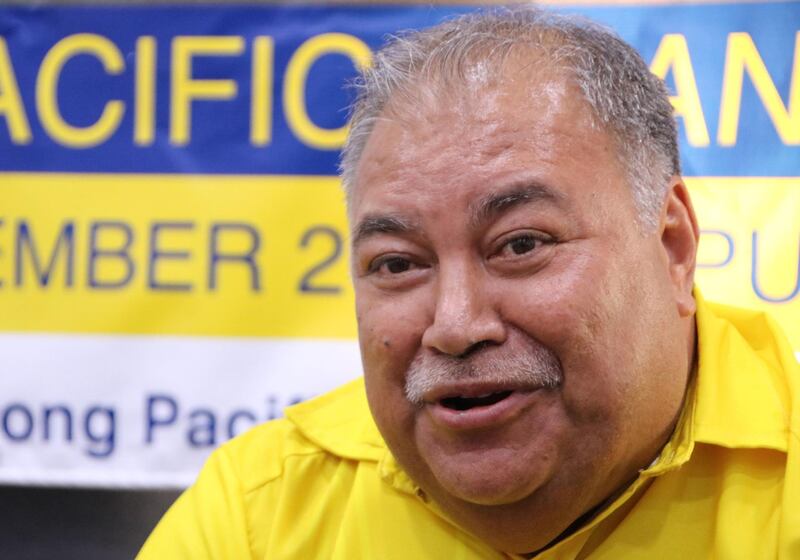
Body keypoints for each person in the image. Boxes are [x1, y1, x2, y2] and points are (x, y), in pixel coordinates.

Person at [138, 8, 799, 558]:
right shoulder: (261, 514)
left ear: (673, 246)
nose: (454, 326)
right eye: (398, 263)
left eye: (521, 245)